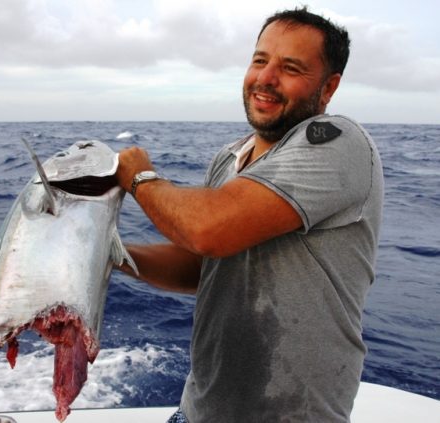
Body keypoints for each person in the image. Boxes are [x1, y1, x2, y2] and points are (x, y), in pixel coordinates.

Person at [115, 7, 384, 423]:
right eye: (260, 60)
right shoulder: (227, 158)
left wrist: (138, 177)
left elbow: (208, 230)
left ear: (328, 87)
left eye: (290, 67)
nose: (266, 78)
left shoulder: (342, 144)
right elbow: (201, 266)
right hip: (196, 413)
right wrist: (111, 254)